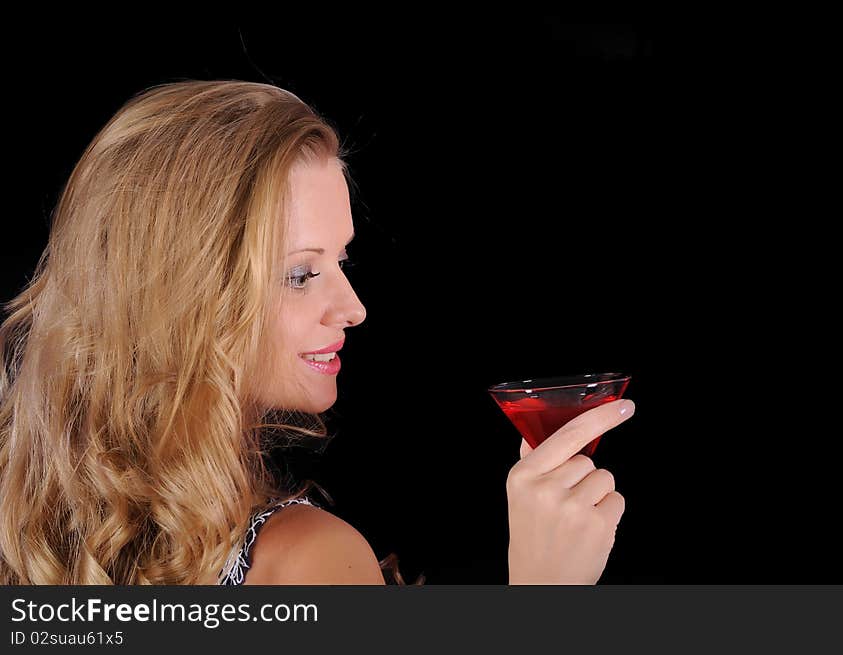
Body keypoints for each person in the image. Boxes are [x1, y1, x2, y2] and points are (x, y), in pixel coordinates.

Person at [0, 80, 631, 585]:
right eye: (301, 273)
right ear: (183, 296)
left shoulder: (25, 528)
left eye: (341, 261)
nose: (352, 308)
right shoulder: (306, 562)